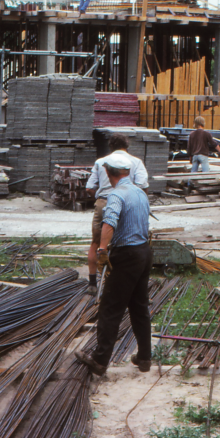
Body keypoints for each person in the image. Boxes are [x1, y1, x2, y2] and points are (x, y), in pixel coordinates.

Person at [74, 152, 153, 376]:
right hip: (144, 253)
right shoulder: (140, 193)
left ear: (108, 174)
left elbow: (108, 224)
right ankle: (145, 358)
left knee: (110, 308)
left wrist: (102, 250)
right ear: (127, 172)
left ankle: (99, 360)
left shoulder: (116, 196)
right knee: (139, 307)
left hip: (127, 256)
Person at [85, 134, 149, 293]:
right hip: (129, 202)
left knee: (97, 243)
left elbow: (89, 187)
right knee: (126, 241)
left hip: (103, 201)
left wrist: (100, 198)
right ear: (127, 145)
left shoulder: (101, 162)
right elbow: (143, 185)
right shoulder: (136, 162)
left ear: (110, 147)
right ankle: (121, 281)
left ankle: (93, 283)